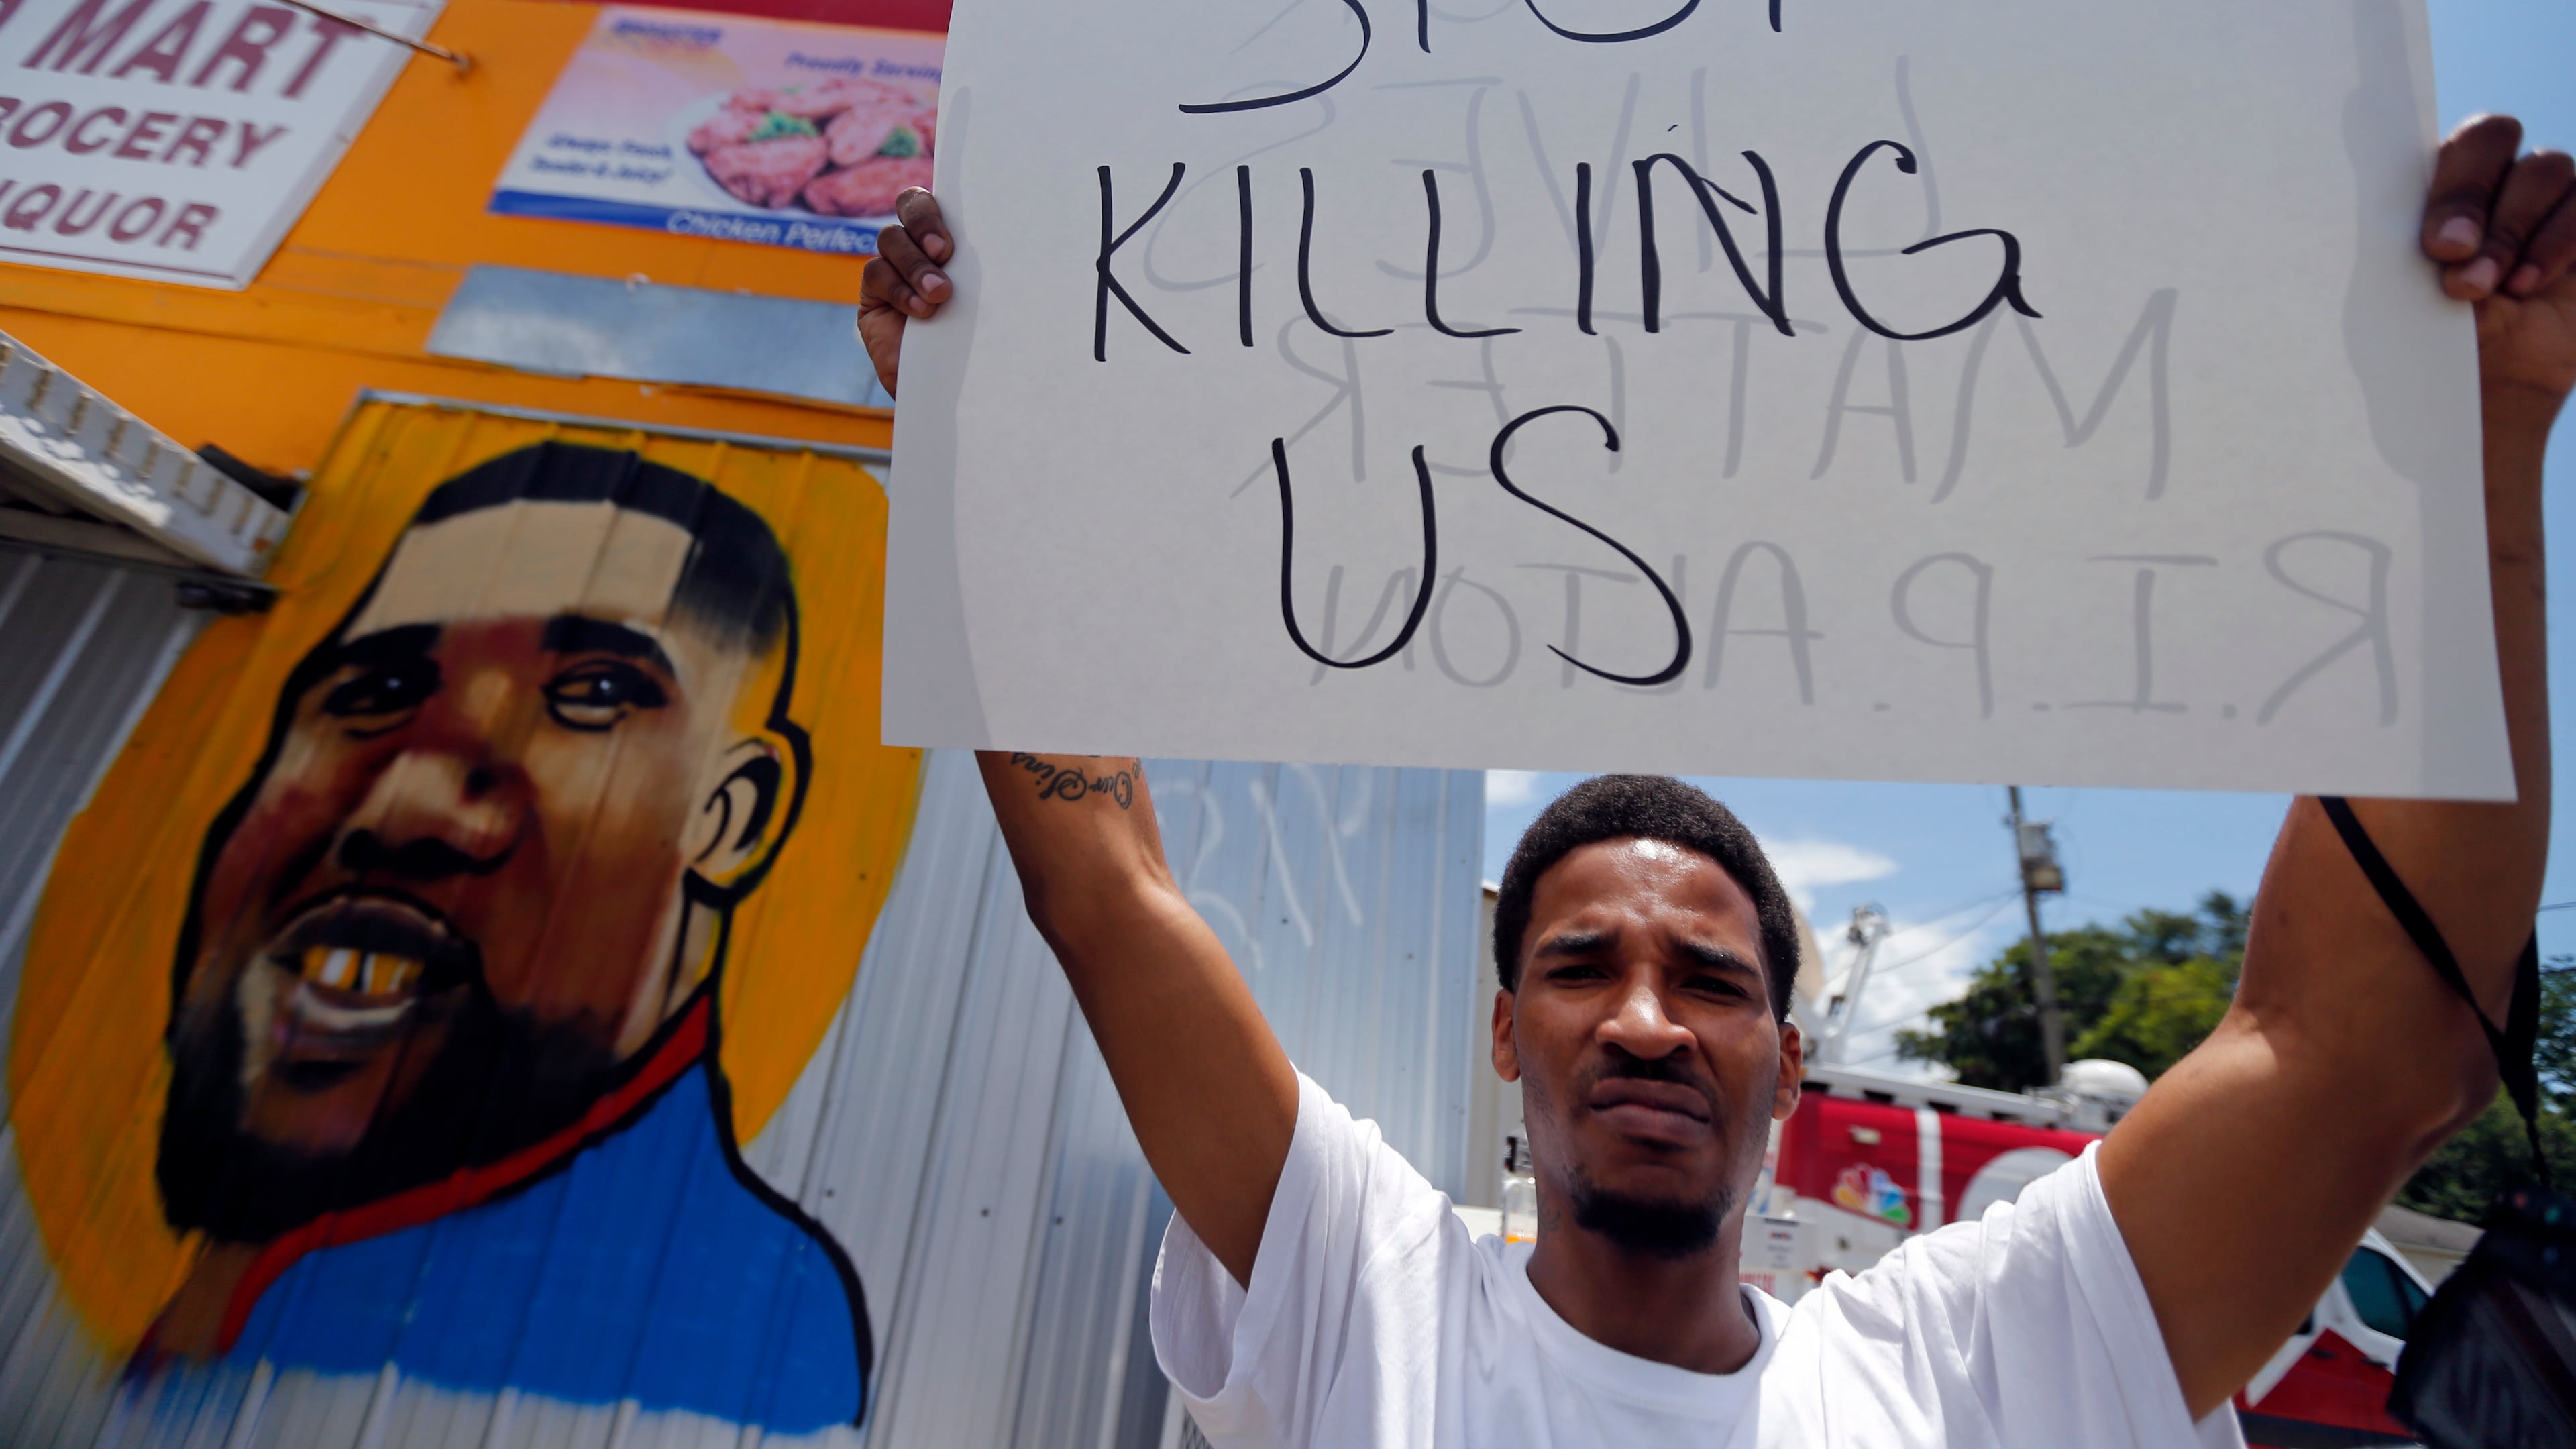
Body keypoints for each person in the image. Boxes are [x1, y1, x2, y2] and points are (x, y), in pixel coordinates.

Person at [858, 113, 2573, 1446]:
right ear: (1503, 1035)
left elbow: (2366, 1049)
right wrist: (976, 447)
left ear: (1791, 1058)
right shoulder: (1366, 1297)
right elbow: (1104, 896)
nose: (1650, 1020)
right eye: (1581, 966)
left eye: (1713, 980)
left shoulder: (1985, 1363)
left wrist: (2485, 436)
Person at [139, 443, 868, 1432]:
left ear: (733, 815)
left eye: (595, 696)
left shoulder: (746, 1336)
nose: (405, 800)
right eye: (377, 694)